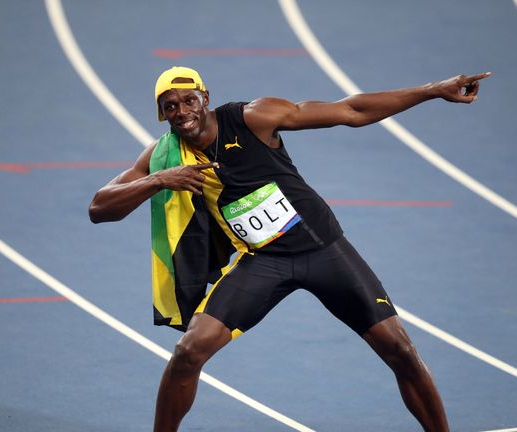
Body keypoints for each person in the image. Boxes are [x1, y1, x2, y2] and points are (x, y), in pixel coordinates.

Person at [89, 66, 490, 432]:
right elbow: (99, 207)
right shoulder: (165, 156)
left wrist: (434, 90)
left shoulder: (253, 117)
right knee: (188, 352)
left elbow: (351, 111)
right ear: (162, 114)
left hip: (324, 251)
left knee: (400, 349)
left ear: (205, 98)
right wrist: (159, 180)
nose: (181, 111)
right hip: (263, 262)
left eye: (188, 100)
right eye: (170, 106)